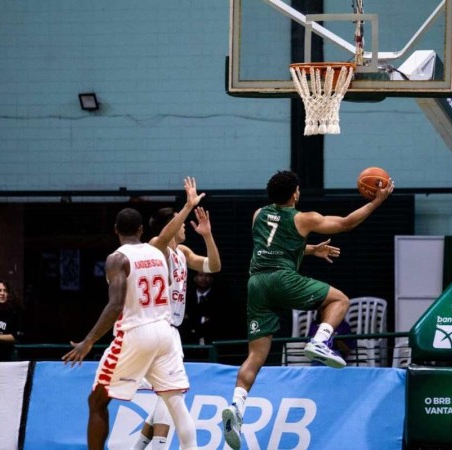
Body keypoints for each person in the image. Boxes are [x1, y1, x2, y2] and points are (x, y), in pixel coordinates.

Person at [221, 169, 394, 450]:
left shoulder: (258, 215)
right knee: (339, 300)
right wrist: (378, 201)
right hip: (281, 278)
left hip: (256, 284)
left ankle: (236, 408)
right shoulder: (303, 218)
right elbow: (347, 223)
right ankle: (320, 340)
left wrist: (312, 250)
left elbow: (274, 244)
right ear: (295, 193)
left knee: (255, 356)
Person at [62, 207, 197, 450]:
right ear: (141, 229)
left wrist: (89, 341)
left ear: (115, 229)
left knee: (98, 400)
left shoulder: (117, 258)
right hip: (165, 331)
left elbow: (115, 306)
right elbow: (166, 284)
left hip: (136, 331)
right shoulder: (159, 253)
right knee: (175, 400)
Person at [131, 178, 222, 450]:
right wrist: (187, 205)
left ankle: (139, 447)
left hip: (170, 331)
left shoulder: (182, 251)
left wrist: (207, 235)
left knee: (167, 396)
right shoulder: (154, 248)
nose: (185, 225)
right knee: (174, 396)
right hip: (155, 328)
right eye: (180, 222)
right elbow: (165, 233)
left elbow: (213, 267)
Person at [182, 271, 217, 345]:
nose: (204, 278)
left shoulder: (218, 299)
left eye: (207, 275)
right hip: (190, 343)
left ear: (211, 278)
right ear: (195, 278)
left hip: (211, 343)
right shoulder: (187, 298)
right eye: (201, 275)